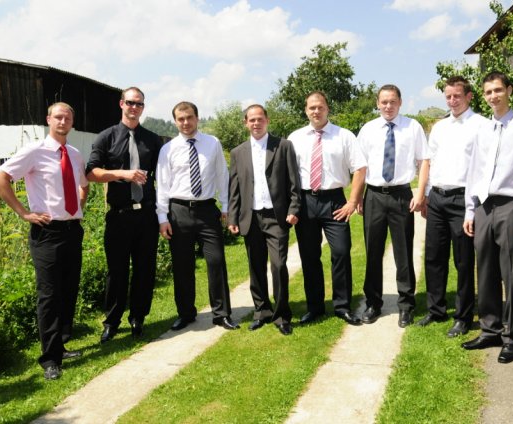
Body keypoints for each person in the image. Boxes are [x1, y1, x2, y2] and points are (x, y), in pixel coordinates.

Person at [0, 102, 88, 380]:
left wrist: (78, 209)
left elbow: (83, 184)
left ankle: (60, 346)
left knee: (68, 290)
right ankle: (50, 359)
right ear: (49, 120)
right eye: (58, 117)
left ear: (72, 122)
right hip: (47, 232)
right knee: (49, 294)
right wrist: (24, 213)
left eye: (67, 118)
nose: (63, 121)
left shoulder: (74, 153)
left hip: (72, 230)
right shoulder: (34, 151)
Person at [462, 71, 513, 363]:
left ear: (509, 90)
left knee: (511, 273)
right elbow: (474, 171)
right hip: (484, 206)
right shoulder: (482, 130)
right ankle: (490, 330)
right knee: (485, 271)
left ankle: (512, 337)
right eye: (488, 92)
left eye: (498, 90)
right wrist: (470, 209)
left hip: (511, 205)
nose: (493, 96)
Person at [86, 87, 164, 343]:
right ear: (121, 104)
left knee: (145, 269)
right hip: (119, 216)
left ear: (143, 108)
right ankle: (112, 321)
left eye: (139, 104)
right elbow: (91, 173)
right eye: (130, 102)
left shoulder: (153, 140)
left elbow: (164, 177)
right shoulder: (106, 137)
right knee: (117, 271)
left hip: (147, 216)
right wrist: (122, 174)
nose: (134, 107)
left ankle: (138, 318)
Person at [156, 101, 238, 332]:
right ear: (175, 122)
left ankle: (221, 314)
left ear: (197, 118)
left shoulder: (213, 143)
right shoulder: (168, 149)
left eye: (189, 117)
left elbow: (222, 176)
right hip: (178, 211)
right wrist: (162, 218)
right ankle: (185, 313)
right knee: (182, 266)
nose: (186, 122)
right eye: (180, 119)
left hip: (207, 211)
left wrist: (226, 206)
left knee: (216, 261)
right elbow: (162, 185)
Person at [417, 76, 489, 337]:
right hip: (437, 198)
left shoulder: (482, 125)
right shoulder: (439, 127)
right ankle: (436, 310)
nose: (452, 100)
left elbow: (484, 167)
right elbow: (431, 161)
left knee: (463, 261)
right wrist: (426, 195)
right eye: (448, 96)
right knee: (434, 257)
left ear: (469, 96)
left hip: (463, 200)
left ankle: (463, 316)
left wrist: (474, 204)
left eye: (457, 95)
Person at [288, 91, 366, 326]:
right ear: (306, 110)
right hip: (305, 202)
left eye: (320, 107)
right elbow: (287, 174)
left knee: (341, 253)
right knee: (310, 256)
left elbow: (360, 168)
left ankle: (342, 306)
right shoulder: (295, 138)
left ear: (327, 108)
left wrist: (352, 201)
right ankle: (315, 307)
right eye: (312, 107)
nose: (316, 111)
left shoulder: (344, 136)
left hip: (335, 201)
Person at [357, 84, 429, 328]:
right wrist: (357, 197)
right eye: (384, 102)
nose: (388, 106)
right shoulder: (368, 129)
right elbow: (360, 166)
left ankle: (406, 305)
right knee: (373, 252)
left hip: (401, 196)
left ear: (400, 102)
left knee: (403, 253)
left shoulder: (413, 127)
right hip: (374, 196)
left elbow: (424, 160)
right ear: (377, 103)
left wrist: (420, 193)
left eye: (392, 102)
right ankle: (373, 303)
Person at [228, 104, 301, 336]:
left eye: (260, 119)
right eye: (252, 120)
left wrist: (294, 208)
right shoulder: (238, 152)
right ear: (246, 123)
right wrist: (232, 216)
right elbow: (234, 189)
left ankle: (281, 315)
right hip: (250, 217)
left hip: (276, 216)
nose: (256, 123)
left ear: (267, 120)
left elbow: (294, 181)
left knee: (278, 265)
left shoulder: (283, 146)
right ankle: (261, 311)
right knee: (256, 266)